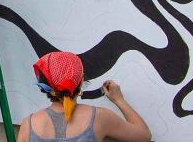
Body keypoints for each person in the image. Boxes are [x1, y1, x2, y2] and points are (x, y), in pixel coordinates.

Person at [17, 52, 152, 142]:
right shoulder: (99, 117)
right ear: (80, 81)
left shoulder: (28, 124)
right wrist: (119, 100)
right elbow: (144, 136)